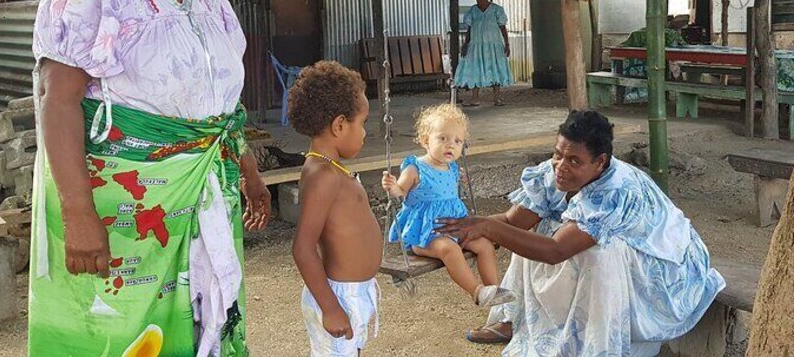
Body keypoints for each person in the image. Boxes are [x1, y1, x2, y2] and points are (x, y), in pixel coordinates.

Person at [29, 0, 271, 356]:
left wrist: (247, 167)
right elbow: (57, 95)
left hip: (205, 184)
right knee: (125, 334)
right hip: (125, 206)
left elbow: (217, 96)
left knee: (202, 321)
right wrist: (78, 212)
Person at [437, 110, 725, 356]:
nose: (561, 167)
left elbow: (555, 251)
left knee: (600, 253)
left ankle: (597, 344)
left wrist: (487, 226)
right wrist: (459, 229)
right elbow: (515, 222)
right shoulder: (556, 172)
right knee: (541, 227)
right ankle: (516, 318)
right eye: (558, 154)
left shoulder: (615, 191)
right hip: (624, 251)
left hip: (664, 267)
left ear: (600, 162)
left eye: (574, 161)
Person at [288, 61, 383, 356]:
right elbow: (302, 248)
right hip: (338, 295)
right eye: (362, 123)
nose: (365, 133)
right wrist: (330, 308)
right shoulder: (323, 176)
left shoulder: (331, 168)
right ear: (339, 125)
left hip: (354, 291)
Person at [382, 104, 513, 307]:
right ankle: (476, 291)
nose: (450, 145)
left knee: (485, 245)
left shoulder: (452, 168)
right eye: (443, 138)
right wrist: (392, 187)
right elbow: (400, 192)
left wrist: (463, 182)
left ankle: (493, 290)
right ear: (426, 140)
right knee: (451, 249)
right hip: (426, 235)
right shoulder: (415, 168)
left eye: (457, 141)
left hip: (455, 227)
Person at [454, 0, 513, 107]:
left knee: (495, 69)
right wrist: (466, 44)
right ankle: (475, 98)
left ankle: (497, 98)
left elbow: (503, 28)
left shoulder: (497, 10)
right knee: (475, 69)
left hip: (493, 46)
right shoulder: (473, 11)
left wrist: (507, 44)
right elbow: (470, 29)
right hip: (476, 46)